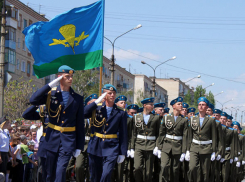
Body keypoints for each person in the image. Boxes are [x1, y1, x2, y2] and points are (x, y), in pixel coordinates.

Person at [29, 65, 85, 182]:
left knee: (60, 171)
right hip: (51, 138)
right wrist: (50, 85)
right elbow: (33, 100)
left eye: (71, 76)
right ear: (59, 77)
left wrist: (79, 145)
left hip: (68, 139)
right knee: (49, 174)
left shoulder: (78, 98)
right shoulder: (51, 94)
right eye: (67, 76)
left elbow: (80, 124)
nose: (70, 79)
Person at [84, 84, 127, 182]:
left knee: (106, 173)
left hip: (111, 147)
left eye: (114, 93)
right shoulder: (96, 108)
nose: (112, 95)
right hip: (96, 145)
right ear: (104, 94)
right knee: (95, 176)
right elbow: (83, 113)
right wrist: (96, 102)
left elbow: (124, 134)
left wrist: (122, 152)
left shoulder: (121, 113)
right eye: (109, 93)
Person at [186, 97, 217, 182]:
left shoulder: (211, 120)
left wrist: (214, 151)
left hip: (206, 148)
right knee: (192, 168)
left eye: (203, 105)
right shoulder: (192, 119)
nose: (201, 106)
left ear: (207, 107)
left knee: (205, 172)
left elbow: (214, 136)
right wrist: (188, 150)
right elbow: (189, 135)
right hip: (194, 147)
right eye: (199, 105)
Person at [131, 97, 161, 182]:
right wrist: (132, 148)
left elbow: (158, 133)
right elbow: (134, 133)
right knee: (137, 168)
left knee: (148, 171)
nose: (153, 106)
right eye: (151, 104)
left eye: (152, 104)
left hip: (151, 146)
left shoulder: (156, 117)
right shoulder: (136, 117)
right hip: (139, 145)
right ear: (145, 105)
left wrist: (157, 146)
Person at [158, 97, 188, 182]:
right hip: (166, 145)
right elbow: (161, 133)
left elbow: (185, 136)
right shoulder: (166, 117)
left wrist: (184, 151)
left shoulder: (184, 120)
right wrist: (159, 147)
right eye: (179, 104)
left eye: (181, 104)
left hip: (177, 146)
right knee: (164, 166)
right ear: (173, 106)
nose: (181, 105)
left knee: (175, 169)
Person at [219, 111, 235, 182]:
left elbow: (233, 144)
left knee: (224, 174)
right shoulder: (215, 129)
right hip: (216, 153)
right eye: (221, 118)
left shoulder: (230, 131)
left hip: (226, 154)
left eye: (224, 119)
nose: (222, 120)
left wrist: (232, 156)